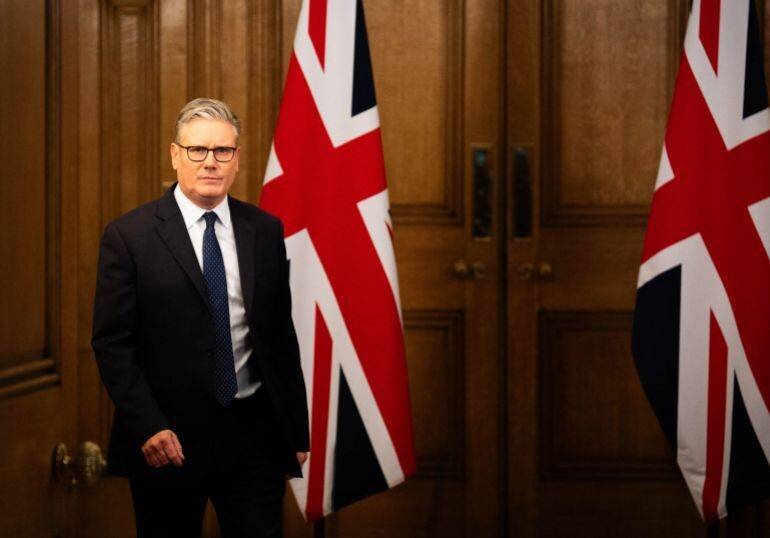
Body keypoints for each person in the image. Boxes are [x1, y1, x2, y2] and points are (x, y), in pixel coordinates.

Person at [92, 97, 309, 537]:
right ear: (175, 154)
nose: (210, 162)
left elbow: (279, 337)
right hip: (168, 439)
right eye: (197, 150)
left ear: (236, 159)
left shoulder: (264, 231)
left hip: (254, 433)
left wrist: (296, 429)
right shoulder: (128, 236)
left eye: (222, 151)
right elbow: (113, 344)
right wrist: (148, 424)